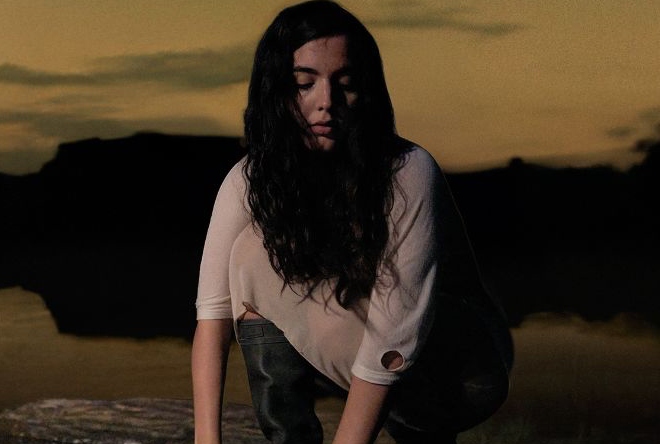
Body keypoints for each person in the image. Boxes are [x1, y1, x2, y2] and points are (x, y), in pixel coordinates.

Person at [192, 1, 513, 443]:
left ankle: (418, 431)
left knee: (255, 255)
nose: (326, 102)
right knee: (251, 251)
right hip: (350, 346)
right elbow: (212, 318)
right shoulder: (251, 178)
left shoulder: (408, 170)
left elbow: (392, 340)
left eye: (346, 85)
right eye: (304, 84)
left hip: (460, 376)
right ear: (276, 91)